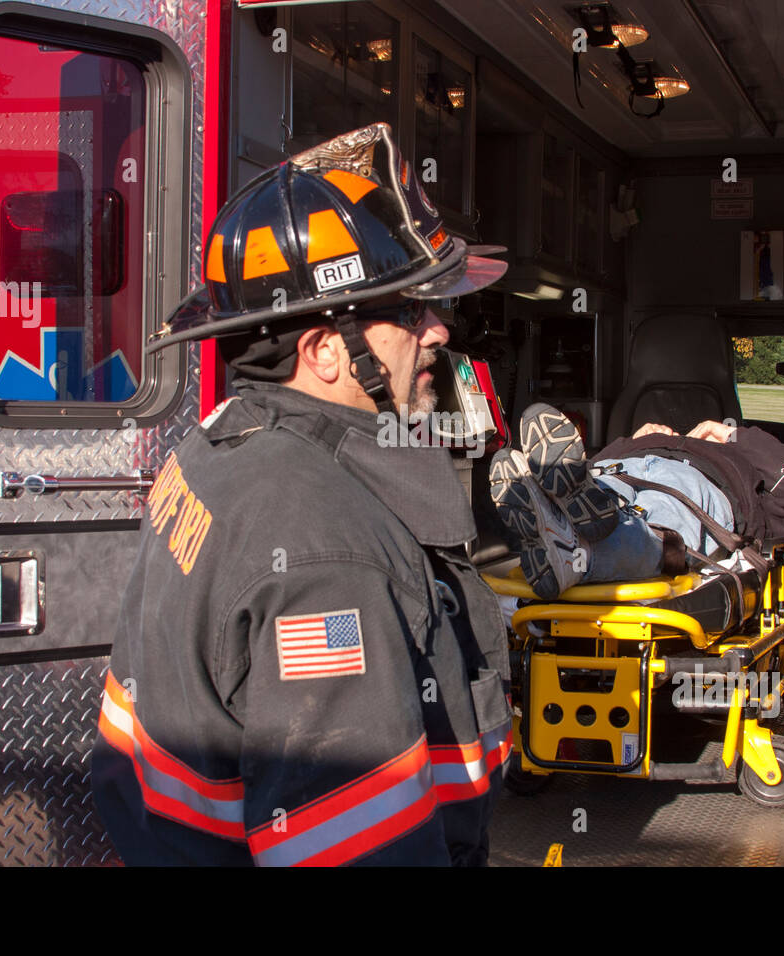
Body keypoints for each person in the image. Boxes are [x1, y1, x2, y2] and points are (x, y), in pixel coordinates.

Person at [91, 123, 512, 866]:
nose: (440, 330)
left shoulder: (222, 443)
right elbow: (354, 842)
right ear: (322, 352)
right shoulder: (331, 555)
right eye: (411, 310)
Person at [491, 403, 784, 598]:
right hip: (621, 466)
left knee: (662, 512)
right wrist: (631, 441)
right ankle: (565, 532)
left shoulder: (735, 455)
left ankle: (575, 549)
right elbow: (580, 477)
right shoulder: (632, 443)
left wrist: (732, 435)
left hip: (696, 480)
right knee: (601, 489)